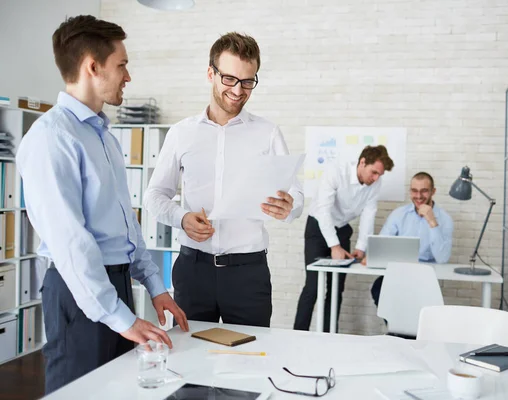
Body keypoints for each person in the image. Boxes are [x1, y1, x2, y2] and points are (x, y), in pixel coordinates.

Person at [16, 16, 188, 394]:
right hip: (80, 292)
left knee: (116, 392)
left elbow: (126, 226)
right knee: (80, 393)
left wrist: (155, 285)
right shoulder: (51, 138)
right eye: (122, 65)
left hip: (115, 284)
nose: (128, 76)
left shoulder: (105, 137)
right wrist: (119, 317)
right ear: (92, 67)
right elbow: (70, 242)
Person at [144, 32, 303, 328]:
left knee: (249, 362)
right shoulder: (182, 133)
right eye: (229, 79)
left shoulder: (267, 132)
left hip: (248, 274)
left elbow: (295, 195)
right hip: (193, 270)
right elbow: (154, 196)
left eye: (248, 81)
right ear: (210, 74)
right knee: (190, 363)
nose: (238, 90)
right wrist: (182, 218)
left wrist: (289, 207)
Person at [293, 145, 394, 332]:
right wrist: (335, 246)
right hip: (318, 227)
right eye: (373, 172)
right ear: (362, 162)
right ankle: (299, 333)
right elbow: (323, 211)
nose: (376, 178)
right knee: (313, 286)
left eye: (379, 175)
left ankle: (329, 335)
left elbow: (368, 214)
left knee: (336, 288)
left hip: (342, 229)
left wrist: (361, 247)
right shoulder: (335, 172)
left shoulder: (375, 184)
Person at [368, 172, 453, 306]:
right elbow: (381, 245)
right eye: (414, 191)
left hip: (427, 275)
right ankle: (395, 327)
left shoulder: (445, 219)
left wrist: (432, 221)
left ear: (433, 191)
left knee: (418, 301)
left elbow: (442, 258)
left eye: (424, 191)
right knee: (379, 288)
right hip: (399, 272)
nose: (418, 196)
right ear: (410, 191)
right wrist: (372, 256)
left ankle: (412, 327)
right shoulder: (398, 214)